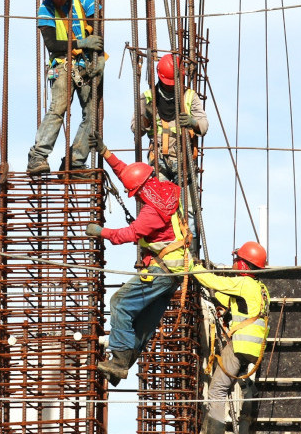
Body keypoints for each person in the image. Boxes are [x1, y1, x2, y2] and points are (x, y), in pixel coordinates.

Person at [91, 146, 190, 384]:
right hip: (174, 272)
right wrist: (106, 154)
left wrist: (101, 232)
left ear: (140, 190)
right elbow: (129, 172)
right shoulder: (164, 189)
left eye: (134, 193)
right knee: (144, 322)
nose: (133, 196)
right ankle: (122, 365)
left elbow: (129, 234)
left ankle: (119, 361)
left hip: (162, 269)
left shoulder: (152, 212)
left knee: (120, 303)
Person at [28, 0, 102, 174]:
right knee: (57, 110)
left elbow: (97, 32)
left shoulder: (86, 0)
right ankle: (38, 156)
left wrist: (100, 56)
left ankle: (75, 161)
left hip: (86, 66)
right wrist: (81, 44)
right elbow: (52, 45)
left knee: (92, 115)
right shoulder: (45, 10)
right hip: (62, 65)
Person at [191, 243, 271, 434]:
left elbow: (215, 282)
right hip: (254, 349)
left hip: (241, 345)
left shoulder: (243, 283)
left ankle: (214, 432)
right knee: (244, 385)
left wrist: (194, 267)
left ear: (244, 265)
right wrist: (212, 295)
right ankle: (247, 416)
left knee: (217, 390)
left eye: (237, 259)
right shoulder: (261, 289)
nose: (234, 263)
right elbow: (233, 300)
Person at [132, 52, 209, 182]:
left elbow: (204, 127)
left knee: (187, 202)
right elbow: (136, 130)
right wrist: (146, 118)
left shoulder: (189, 96)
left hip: (184, 158)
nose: (171, 86)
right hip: (159, 159)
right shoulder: (147, 98)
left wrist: (193, 122)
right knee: (162, 201)